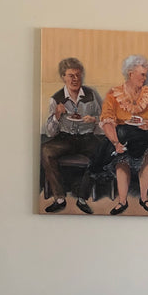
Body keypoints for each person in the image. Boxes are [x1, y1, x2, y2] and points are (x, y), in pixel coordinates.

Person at [94, 55, 148, 215]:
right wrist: (115, 142)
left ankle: (144, 198)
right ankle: (122, 201)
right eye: (142, 75)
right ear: (130, 74)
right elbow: (107, 121)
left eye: (146, 75)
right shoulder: (114, 94)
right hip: (121, 136)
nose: (145, 79)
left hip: (145, 136)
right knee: (121, 158)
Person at [40, 57, 103, 214]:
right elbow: (50, 132)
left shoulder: (91, 95)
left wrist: (94, 120)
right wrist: (56, 115)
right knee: (46, 151)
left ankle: (82, 198)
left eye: (78, 75)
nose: (75, 79)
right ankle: (59, 199)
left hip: (87, 137)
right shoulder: (56, 99)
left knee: (102, 151)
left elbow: (103, 119)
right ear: (63, 77)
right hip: (65, 138)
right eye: (71, 75)